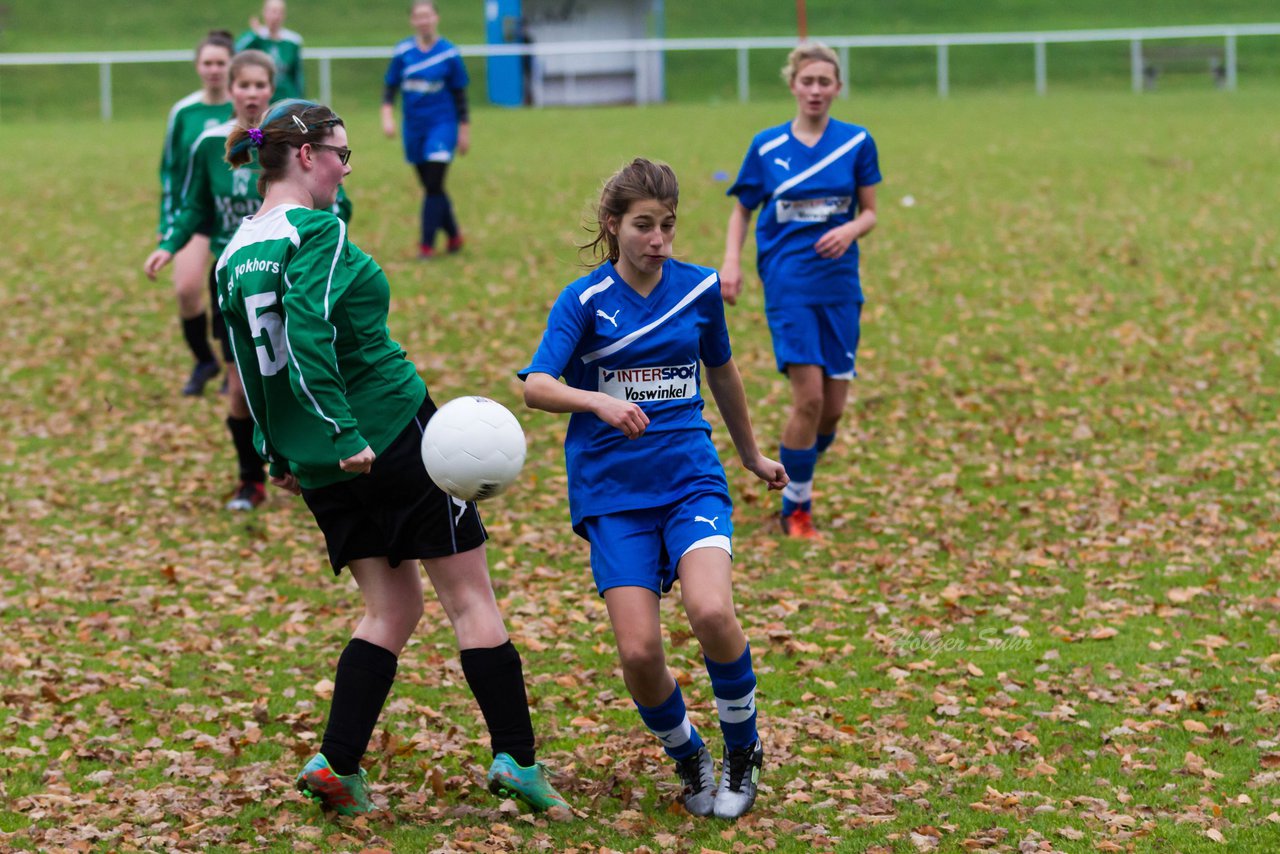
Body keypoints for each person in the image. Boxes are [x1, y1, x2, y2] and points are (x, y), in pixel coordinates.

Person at [215, 99, 569, 817]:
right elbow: (308, 336)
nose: (348, 167)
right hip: (388, 439)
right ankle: (519, 760)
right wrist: (346, 434)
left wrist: (270, 446)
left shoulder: (233, 250)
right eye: (342, 153)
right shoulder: (317, 232)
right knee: (471, 598)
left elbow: (251, 370)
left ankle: (338, 764)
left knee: (391, 606)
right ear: (307, 155)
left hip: (315, 459)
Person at [521, 159, 787, 820]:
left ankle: (744, 750)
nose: (658, 239)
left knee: (712, 612)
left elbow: (723, 375)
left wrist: (750, 455)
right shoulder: (582, 301)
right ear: (613, 226)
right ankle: (687, 751)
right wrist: (598, 403)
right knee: (640, 653)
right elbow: (536, 385)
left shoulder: (697, 290)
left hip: (689, 478)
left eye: (667, 225)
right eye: (644, 225)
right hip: (612, 493)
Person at [144, 50, 349, 512]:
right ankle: (251, 479)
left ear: (271, 89)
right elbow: (194, 205)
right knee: (244, 387)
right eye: (245, 85)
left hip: (293, 272)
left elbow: (333, 196)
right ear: (231, 91)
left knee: (308, 364)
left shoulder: (289, 143)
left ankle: (322, 458)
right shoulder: (210, 145)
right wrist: (169, 244)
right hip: (238, 279)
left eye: (261, 85)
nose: (252, 93)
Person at [721, 42, 881, 540]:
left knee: (832, 409)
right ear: (793, 85)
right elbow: (743, 208)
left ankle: (796, 465)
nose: (815, 90)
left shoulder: (856, 143)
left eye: (824, 82)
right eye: (807, 81)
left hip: (840, 287)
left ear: (837, 88)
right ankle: (796, 508)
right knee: (808, 399)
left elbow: (870, 211)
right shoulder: (767, 147)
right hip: (788, 283)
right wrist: (731, 262)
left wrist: (851, 230)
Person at [159, 29, 235, 396]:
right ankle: (204, 360)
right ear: (197, 66)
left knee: (231, 292)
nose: (214, 69)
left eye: (221, 62)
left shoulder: (248, 108)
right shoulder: (184, 112)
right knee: (187, 288)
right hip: (198, 213)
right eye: (208, 62)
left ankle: (233, 368)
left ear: (232, 66)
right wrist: (167, 224)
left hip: (236, 214)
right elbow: (171, 171)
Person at [382, 0, 470, 259]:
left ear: (436, 18)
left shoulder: (449, 54)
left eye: (427, 15)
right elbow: (390, 88)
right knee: (433, 185)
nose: (424, 21)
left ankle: (426, 244)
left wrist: (464, 130)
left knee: (433, 184)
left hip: (442, 126)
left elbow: (460, 96)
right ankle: (454, 235)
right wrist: (387, 116)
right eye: (418, 16)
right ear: (413, 21)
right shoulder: (403, 52)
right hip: (414, 128)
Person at [236, 0, 305, 101]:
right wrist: (255, 35)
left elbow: (297, 74)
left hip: (286, 97)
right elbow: (237, 53)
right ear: (264, 13)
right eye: (272, 11)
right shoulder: (256, 37)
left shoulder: (292, 41)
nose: (276, 16)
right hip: (261, 98)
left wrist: (300, 98)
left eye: (279, 12)